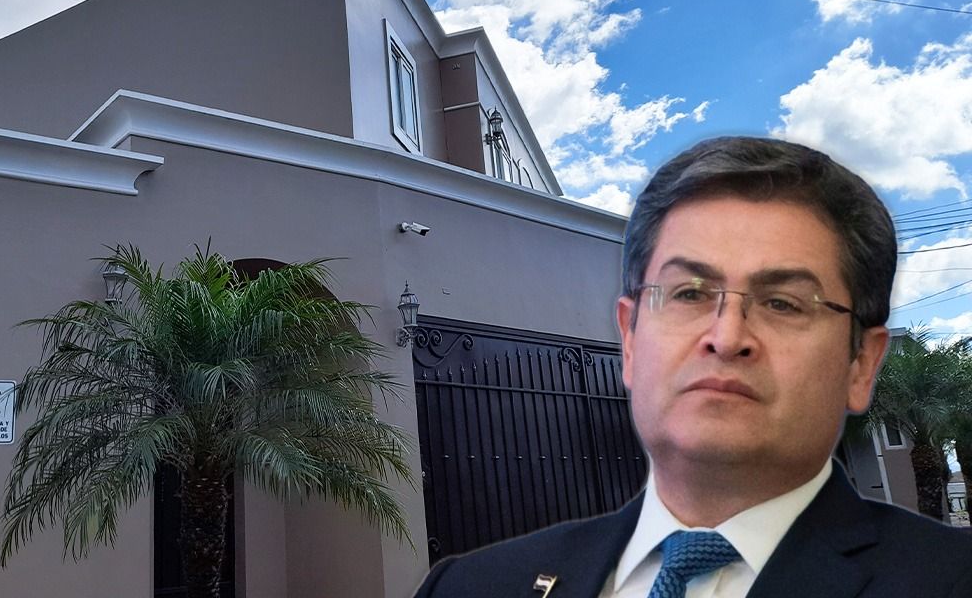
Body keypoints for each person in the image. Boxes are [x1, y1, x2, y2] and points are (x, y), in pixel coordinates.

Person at [413, 136, 972, 598]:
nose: (726, 338)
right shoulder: (468, 587)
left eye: (783, 303)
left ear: (861, 364)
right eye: (688, 294)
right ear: (630, 340)